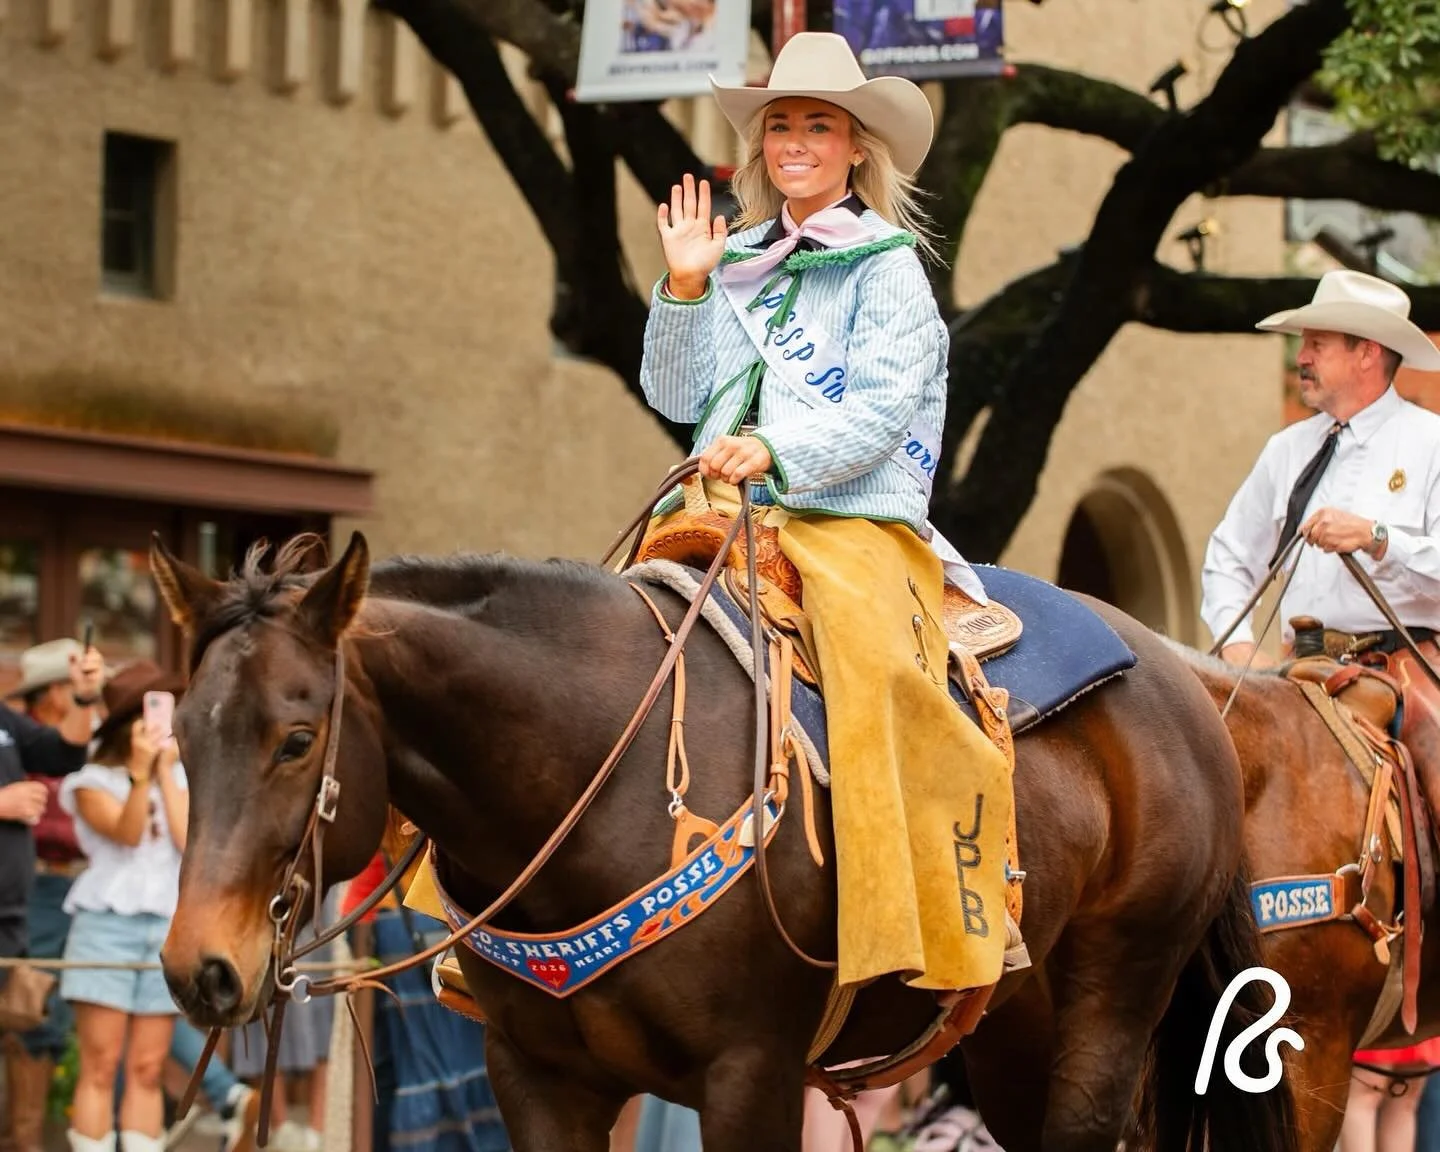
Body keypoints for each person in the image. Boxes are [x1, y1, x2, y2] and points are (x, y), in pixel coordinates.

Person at [636, 30, 1014, 996]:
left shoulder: (889, 266)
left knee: (875, 661)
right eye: (780, 127)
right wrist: (683, 287)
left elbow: (882, 411)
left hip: (849, 521)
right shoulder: (738, 262)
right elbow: (679, 397)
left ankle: (920, 898)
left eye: (818, 125)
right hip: (719, 508)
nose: (795, 141)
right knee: (607, 627)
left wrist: (778, 448)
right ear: (761, 148)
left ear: (854, 147)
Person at [1201, 269, 1440, 666]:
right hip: (1300, 672)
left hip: (1404, 669)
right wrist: (1239, 647)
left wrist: (1375, 537)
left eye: (1317, 344)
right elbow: (1228, 556)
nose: (1301, 358)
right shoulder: (1286, 449)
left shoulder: (1433, 442)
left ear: (1366, 353)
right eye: (1303, 344)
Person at [58, 661, 188, 1152]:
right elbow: (127, 833)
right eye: (153, 713)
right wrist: (139, 775)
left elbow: (187, 839)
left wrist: (164, 772)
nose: (163, 723)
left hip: (167, 927)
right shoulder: (92, 779)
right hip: (104, 925)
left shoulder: (183, 775)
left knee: (148, 1068)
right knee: (99, 1064)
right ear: (127, 723)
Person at [0, 642, 104, 1152]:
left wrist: (85, 700)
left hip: (11, 919)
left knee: (24, 1032)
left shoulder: (4, 719)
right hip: (26, 906)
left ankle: (24, 1143)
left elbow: (63, 753)